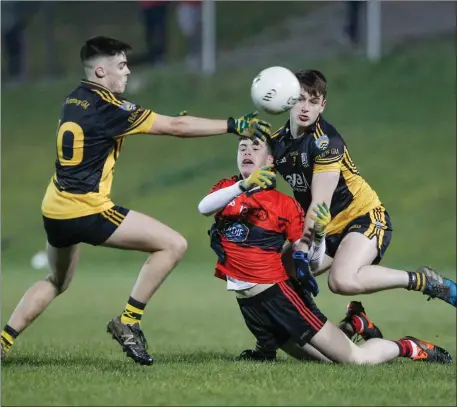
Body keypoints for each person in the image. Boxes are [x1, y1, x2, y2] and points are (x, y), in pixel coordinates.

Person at [0, 36, 271, 366]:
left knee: (57, 281)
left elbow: (148, 124)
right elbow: (176, 126)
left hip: (54, 209)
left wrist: (171, 119)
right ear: (100, 70)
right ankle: (128, 320)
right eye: (121, 65)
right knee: (173, 245)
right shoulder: (110, 107)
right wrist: (234, 125)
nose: (127, 72)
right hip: (87, 210)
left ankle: (4, 340)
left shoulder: (75, 98)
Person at [198, 136, 452, 365]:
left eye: (256, 147)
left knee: (355, 360)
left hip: (279, 298)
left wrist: (318, 235)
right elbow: (204, 207)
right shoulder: (227, 188)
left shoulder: (284, 205)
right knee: (321, 361)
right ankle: (354, 324)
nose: (247, 151)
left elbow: (312, 259)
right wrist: (242, 186)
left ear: (270, 160)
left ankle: (407, 347)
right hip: (250, 301)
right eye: (242, 147)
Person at [267, 70, 456, 332]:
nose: (305, 108)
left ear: (323, 106)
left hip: (361, 216)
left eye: (313, 101)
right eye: (300, 99)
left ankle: (422, 280)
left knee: (341, 280)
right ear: (288, 101)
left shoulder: (326, 141)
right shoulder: (276, 143)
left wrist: (301, 249)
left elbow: (320, 203)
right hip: (325, 227)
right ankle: (341, 328)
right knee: (272, 273)